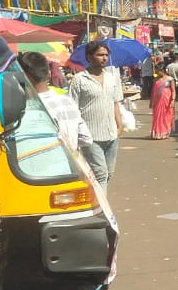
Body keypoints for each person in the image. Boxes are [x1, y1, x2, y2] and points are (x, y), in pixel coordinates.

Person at [68, 39, 124, 185]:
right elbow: (72, 109)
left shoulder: (112, 78)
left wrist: (119, 126)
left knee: (108, 174)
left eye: (106, 55)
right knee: (101, 174)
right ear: (89, 57)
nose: (104, 58)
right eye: (100, 55)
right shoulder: (79, 80)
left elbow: (115, 103)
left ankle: (95, 202)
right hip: (91, 136)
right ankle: (101, 208)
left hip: (112, 134)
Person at [16, 51, 92, 155]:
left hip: (47, 165)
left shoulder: (30, 107)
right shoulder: (67, 101)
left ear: (25, 77)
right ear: (49, 73)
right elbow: (86, 138)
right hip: (72, 166)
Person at [150, 65, 175, 139]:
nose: (157, 72)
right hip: (157, 101)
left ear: (163, 70)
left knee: (166, 116)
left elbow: (173, 91)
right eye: (156, 71)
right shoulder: (156, 80)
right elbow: (153, 91)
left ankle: (164, 132)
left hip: (167, 101)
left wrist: (173, 100)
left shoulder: (170, 79)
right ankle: (157, 133)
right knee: (157, 116)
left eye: (158, 71)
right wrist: (151, 101)